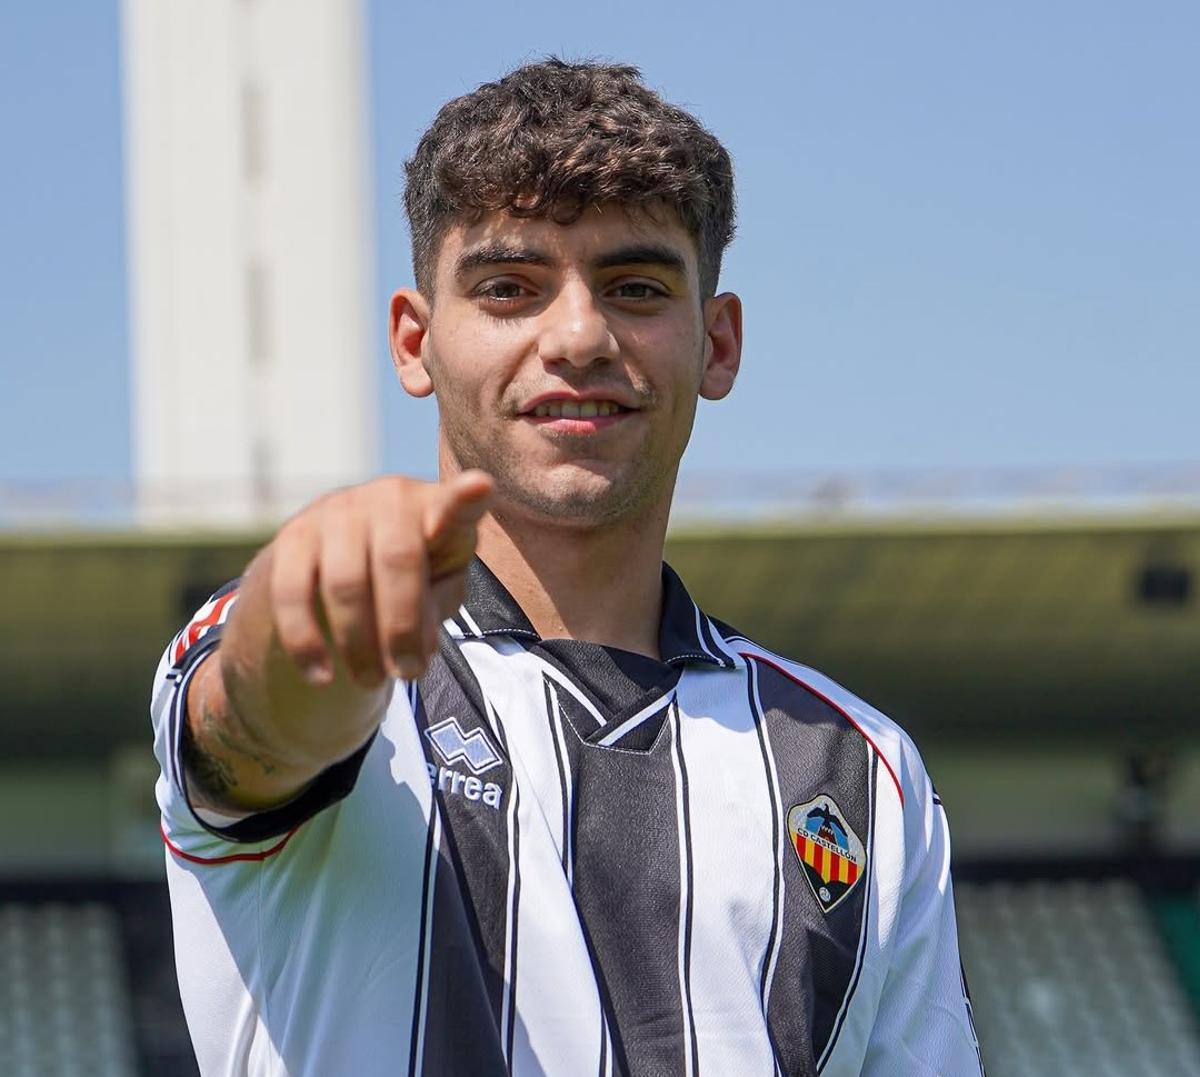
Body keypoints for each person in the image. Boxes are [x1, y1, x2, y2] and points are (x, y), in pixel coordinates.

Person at [151, 58, 984, 1076]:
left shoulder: (859, 770)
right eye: (511, 288)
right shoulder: (318, 642)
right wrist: (303, 635)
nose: (579, 335)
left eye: (635, 287)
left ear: (717, 345)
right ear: (415, 343)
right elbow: (258, 727)